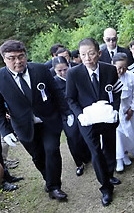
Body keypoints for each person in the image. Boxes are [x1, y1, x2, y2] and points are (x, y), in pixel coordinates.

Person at [0, 40, 69, 200]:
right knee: (38, 156)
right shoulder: (1, 78)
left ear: (26, 55)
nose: (17, 61)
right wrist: (5, 130)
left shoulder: (40, 69)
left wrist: (66, 113)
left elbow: (56, 91)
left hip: (48, 121)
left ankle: (54, 187)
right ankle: (49, 179)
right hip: (23, 126)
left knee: (52, 151)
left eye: (21, 56)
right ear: (4, 59)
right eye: (12, 58)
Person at [66, 38, 122, 206]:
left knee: (110, 148)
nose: (87, 58)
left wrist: (115, 109)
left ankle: (109, 174)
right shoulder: (73, 73)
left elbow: (117, 91)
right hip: (87, 120)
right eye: (83, 55)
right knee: (96, 152)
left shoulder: (110, 70)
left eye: (91, 53)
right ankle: (105, 188)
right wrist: (80, 115)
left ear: (99, 53)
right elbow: (70, 98)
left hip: (107, 117)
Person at [52, 56, 91, 176]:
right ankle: (79, 162)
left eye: (65, 69)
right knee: (73, 137)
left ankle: (89, 155)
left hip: (80, 108)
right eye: (59, 71)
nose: (63, 73)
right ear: (54, 70)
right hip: (66, 113)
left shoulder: (74, 76)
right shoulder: (53, 82)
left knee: (87, 133)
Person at [112, 52, 134, 172]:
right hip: (116, 111)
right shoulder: (109, 76)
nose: (121, 70)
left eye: (124, 67)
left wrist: (132, 109)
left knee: (132, 133)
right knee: (118, 135)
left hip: (130, 109)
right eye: (118, 67)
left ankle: (127, 153)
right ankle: (119, 158)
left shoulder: (131, 76)